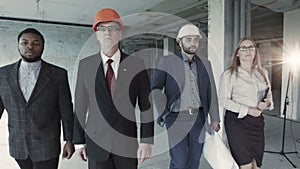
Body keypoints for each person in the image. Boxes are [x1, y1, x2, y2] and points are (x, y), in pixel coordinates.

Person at [73, 8, 154, 169]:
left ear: (120, 33)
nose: (107, 33)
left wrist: (146, 141)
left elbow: (146, 106)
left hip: (127, 142)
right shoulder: (86, 66)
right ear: (96, 34)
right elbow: (80, 106)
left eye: (112, 28)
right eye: (102, 28)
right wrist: (78, 141)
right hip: (96, 142)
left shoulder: (136, 65)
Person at [0, 28, 74, 169]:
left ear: (43, 47)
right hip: (18, 145)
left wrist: (69, 139)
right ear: (18, 45)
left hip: (47, 145)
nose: (30, 46)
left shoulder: (58, 75)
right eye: (25, 42)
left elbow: (66, 110)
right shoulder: (3, 74)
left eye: (36, 43)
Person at [151, 24, 220, 169]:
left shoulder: (205, 64)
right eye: (188, 39)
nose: (193, 43)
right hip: (176, 119)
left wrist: (215, 118)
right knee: (180, 161)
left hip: (198, 118)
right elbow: (155, 89)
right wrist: (163, 111)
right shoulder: (167, 62)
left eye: (195, 40)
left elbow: (211, 91)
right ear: (179, 42)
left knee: (194, 160)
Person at [218, 37, 274, 169]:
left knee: (257, 164)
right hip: (237, 123)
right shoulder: (229, 75)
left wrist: (266, 104)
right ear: (237, 53)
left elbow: (269, 96)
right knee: (246, 165)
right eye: (243, 48)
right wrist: (248, 110)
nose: (247, 50)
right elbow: (223, 100)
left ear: (255, 52)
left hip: (257, 123)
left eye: (251, 47)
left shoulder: (263, 73)